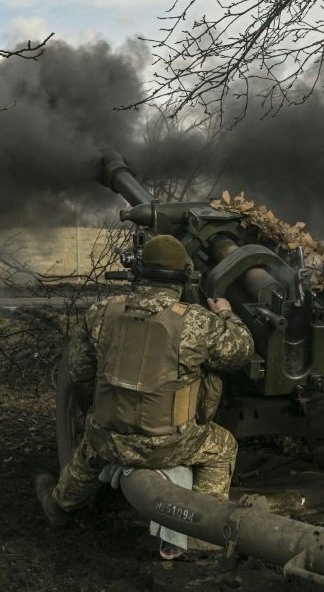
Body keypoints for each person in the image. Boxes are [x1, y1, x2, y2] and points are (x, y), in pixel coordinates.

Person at [35, 234, 254, 552]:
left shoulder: (101, 313)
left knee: (91, 448)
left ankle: (59, 506)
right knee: (223, 447)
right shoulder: (196, 323)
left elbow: (79, 374)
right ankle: (199, 534)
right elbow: (242, 350)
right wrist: (225, 313)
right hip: (170, 445)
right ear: (182, 277)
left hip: (109, 437)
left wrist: (97, 414)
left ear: (138, 273)